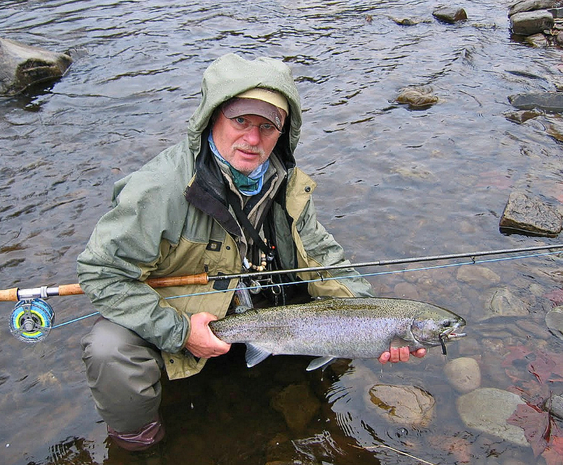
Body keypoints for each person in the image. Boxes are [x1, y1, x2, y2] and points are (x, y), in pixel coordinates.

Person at [77, 53, 426, 452]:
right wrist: (180, 332)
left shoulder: (285, 180)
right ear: (213, 118)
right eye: (240, 121)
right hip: (188, 316)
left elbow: (321, 254)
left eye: (267, 126)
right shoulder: (157, 190)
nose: (253, 139)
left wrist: (377, 321)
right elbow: (101, 273)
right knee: (109, 349)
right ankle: (140, 446)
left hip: (263, 312)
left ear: (284, 132)